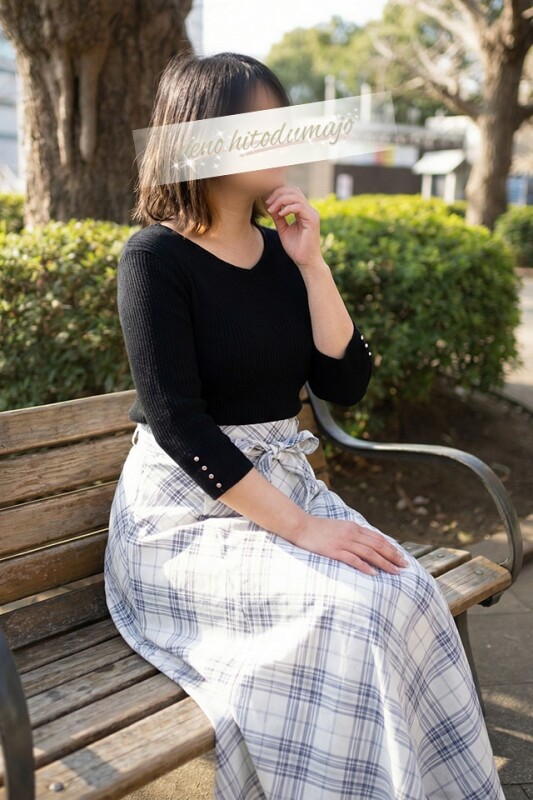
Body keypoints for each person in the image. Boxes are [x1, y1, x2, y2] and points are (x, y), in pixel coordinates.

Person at [104, 50, 505, 799]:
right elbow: (179, 426)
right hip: (185, 518)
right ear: (201, 135)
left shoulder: (282, 252)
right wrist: (304, 528)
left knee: (405, 590)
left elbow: (345, 382)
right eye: (259, 122)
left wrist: (312, 264)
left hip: (282, 491)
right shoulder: (154, 258)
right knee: (354, 611)